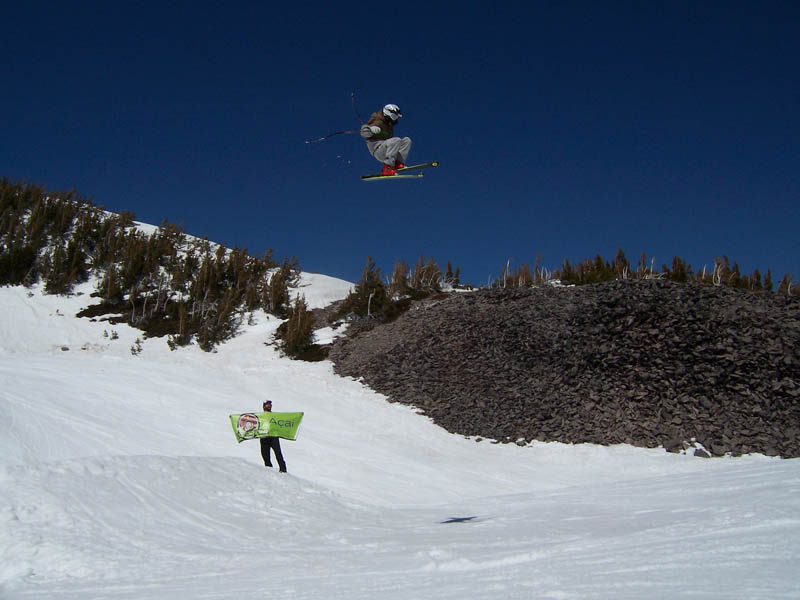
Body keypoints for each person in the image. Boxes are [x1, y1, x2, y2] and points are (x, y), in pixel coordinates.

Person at [360, 103, 411, 176]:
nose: (395, 119)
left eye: (396, 117)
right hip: (377, 150)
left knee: (407, 140)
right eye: (394, 117)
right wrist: (370, 130)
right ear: (388, 113)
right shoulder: (378, 120)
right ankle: (387, 167)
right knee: (396, 140)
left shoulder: (389, 126)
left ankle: (398, 163)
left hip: (386, 150)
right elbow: (363, 132)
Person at [260, 399, 287, 473]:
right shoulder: (260, 416)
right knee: (265, 455)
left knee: (278, 454)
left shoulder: (274, 416)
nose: (269, 406)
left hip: (274, 437)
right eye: (267, 405)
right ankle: (268, 469)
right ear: (264, 406)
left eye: (270, 405)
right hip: (264, 437)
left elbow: (284, 420)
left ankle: (283, 469)